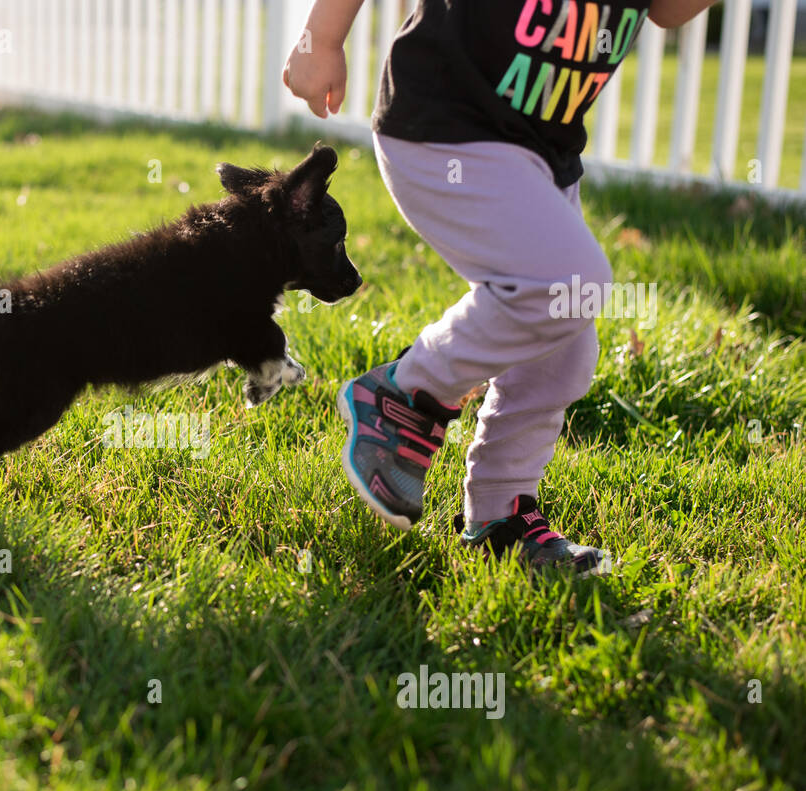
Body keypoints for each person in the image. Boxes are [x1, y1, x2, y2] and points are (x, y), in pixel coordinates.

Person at [283, 0, 720, 571]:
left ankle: (500, 515)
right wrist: (323, 36)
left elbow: (666, 12)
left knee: (564, 351)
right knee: (569, 282)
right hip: (445, 123)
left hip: (541, 151)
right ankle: (406, 393)